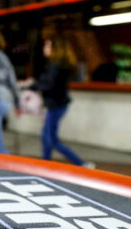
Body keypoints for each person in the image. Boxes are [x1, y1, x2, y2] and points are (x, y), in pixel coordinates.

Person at [35, 37, 92, 167]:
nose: (45, 49)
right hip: (58, 104)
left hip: (55, 105)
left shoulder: (55, 66)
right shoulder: (60, 65)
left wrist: (33, 86)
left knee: (52, 140)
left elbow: (49, 85)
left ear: (56, 49)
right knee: (45, 136)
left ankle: (81, 163)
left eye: (48, 46)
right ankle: (45, 163)